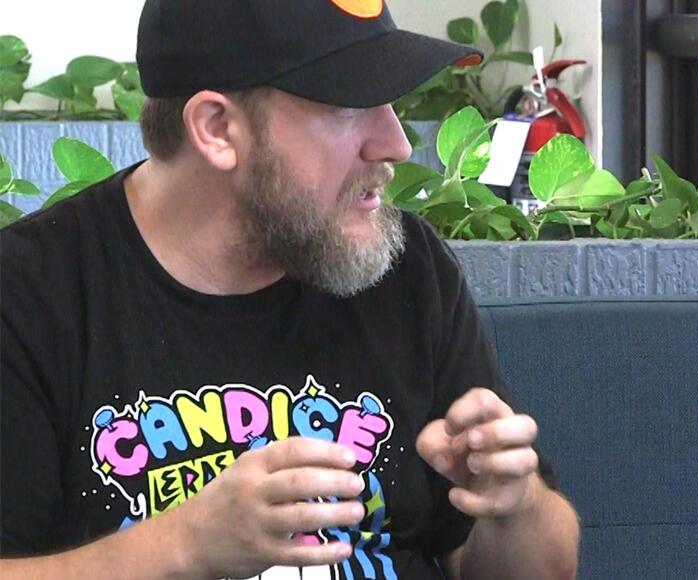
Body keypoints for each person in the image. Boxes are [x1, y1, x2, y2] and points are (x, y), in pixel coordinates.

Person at [0, 1, 580, 578]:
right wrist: (181, 545)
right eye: (349, 107)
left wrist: (516, 505)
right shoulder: (30, 294)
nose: (396, 144)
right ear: (217, 129)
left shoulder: (408, 268)